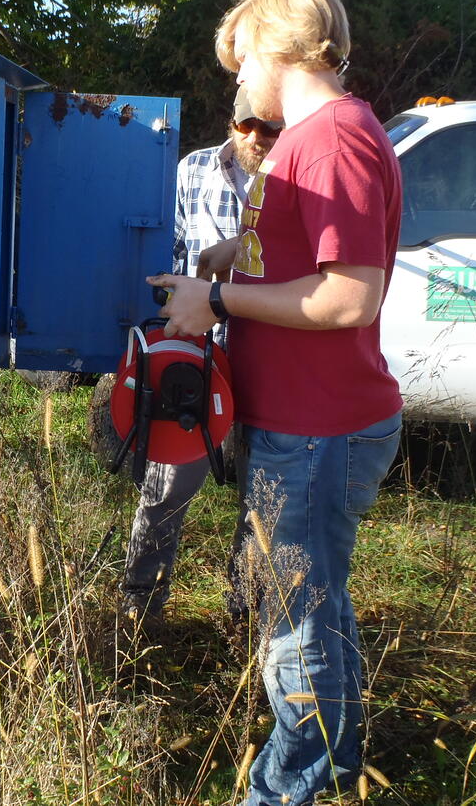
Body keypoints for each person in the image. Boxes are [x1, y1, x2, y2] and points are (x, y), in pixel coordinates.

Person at [147, 0, 403, 805]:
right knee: (313, 611)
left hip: (316, 433)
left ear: (277, 46)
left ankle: (291, 790)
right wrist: (235, 257)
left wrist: (214, 298)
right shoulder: (309, 137)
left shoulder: (331, 138)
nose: (238, 80)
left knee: (295, 626)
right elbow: (307, 262)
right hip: (301, 427)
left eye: (241, 60)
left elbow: (349, 295)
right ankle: (332, 769)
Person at [121, 87, 281, 628]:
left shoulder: (298, 178)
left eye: (270, 127)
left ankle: (244, 621)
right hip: (199, 360)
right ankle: (139, 615)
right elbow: (175, 249)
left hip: (271, 353)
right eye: (247, 125)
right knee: (166, 486)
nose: (257, 136)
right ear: (232, 123)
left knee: (262, 497)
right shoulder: (192, 169)